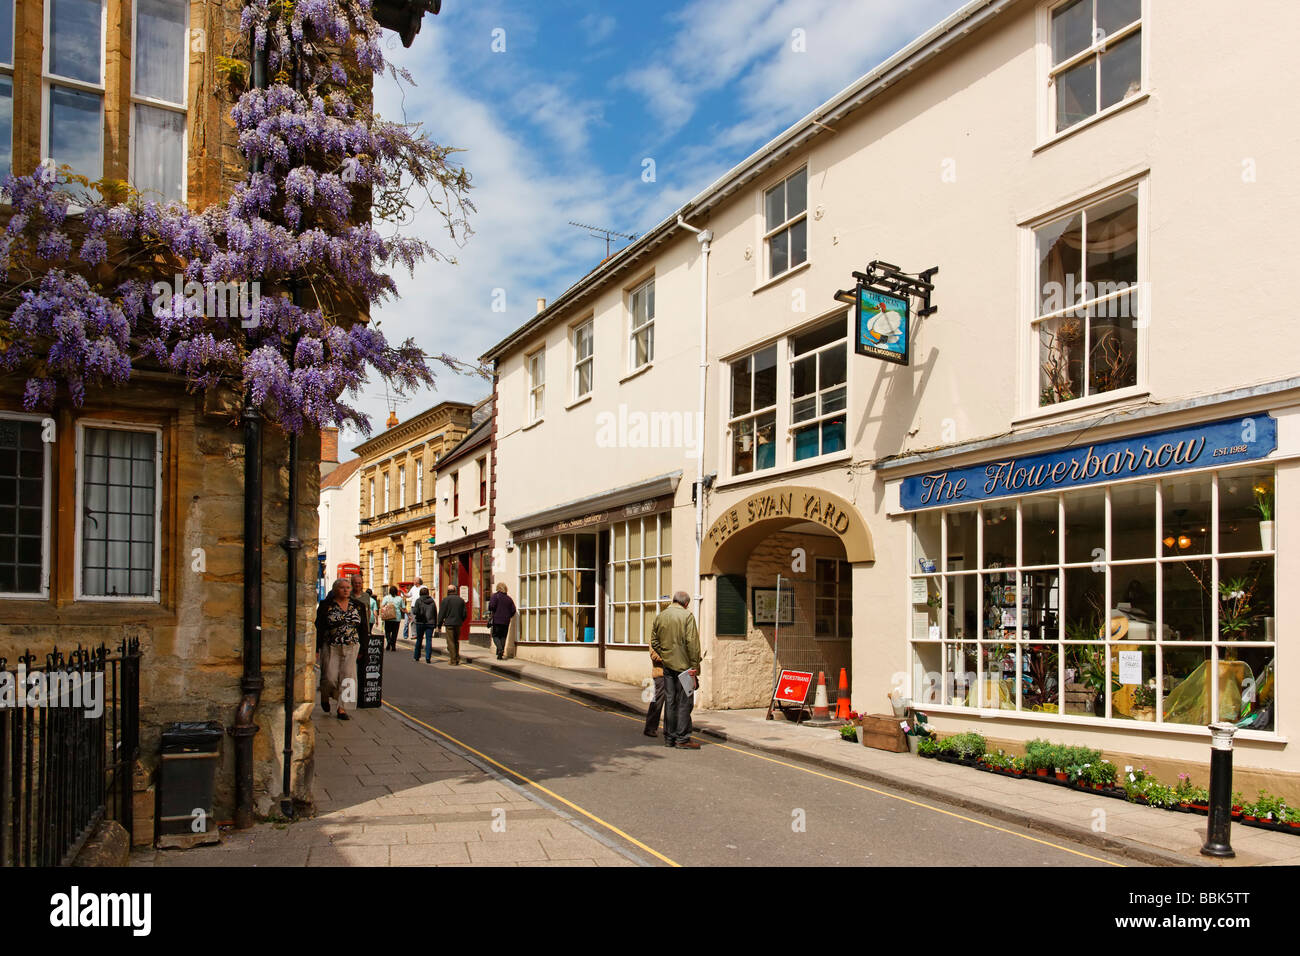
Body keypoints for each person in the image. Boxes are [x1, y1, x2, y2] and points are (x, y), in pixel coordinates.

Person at [650, 591, 702, 749]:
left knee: (670, 701)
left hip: (668, 666)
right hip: (685, 668)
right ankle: (682, 738)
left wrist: (665, 656)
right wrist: (694, 666)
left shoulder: (661, 616)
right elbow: (692, 643)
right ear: (685, 603)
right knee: (685, 702)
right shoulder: (687, 617)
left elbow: (654, 641)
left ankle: (669, 738)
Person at [315, 577, 363, 720]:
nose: (346, 590)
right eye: (342, 587)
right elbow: (319, 627)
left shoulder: (357, 606)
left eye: (348, 588)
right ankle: (325, 694)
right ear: (336, 589)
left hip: (352, 645)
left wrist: (364, 650)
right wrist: (316, 648)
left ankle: (342, 708)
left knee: (348, 678)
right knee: (329, 677)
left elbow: (363, 628)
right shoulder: (326, 605)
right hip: (332, 646)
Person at [437, 585, 467, 665]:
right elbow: (464, 614)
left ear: (448, 591)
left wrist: (439, 625)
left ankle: (453, 660)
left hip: (449, 623)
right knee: (456, 641)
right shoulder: (461, 600)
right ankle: (457, 658)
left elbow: (441, 614)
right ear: (455, 591)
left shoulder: (445, 600)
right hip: (458, 623)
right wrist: (461, 620)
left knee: (450, 642)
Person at [487, 583, 516, 660]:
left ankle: (500, 649)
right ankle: (500, 655)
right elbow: (513, 610)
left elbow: (491, 606)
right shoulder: (509, 599)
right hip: (506, 621)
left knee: (495, 636)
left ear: (498, 588)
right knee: (503, 636)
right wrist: (508, 616)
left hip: (497, 620)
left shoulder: (495, 596)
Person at [643, 644, 666, 737]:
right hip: (660, 674)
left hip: (671, 674)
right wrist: (670, 659)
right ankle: (650, 728)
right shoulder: (655, 637)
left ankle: (668, 730)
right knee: (658, 700)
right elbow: (654, 655)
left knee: (671, 702)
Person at [412, 586, 439, 663]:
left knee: (419, 640)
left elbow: (415, 612)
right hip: (430, 623)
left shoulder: (418, 601)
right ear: (428, 593)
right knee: (429, 640)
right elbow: (435, 613)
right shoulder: (432, 601)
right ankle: (428, 657)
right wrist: (435, 624)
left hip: (420, 622)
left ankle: (417, 656)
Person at [380, 585, 405, 651]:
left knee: (387, 631)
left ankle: (389, 642)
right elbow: (403, 607)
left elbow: (382, 606)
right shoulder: (400, 598)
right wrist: (408, 614)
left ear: (390, 591)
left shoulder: (386, 598)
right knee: (395, 632)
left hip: (388, 617)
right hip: (397, 618)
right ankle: (393, 645)